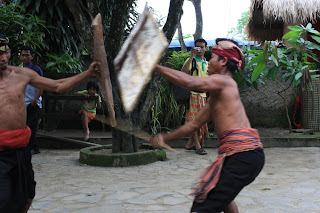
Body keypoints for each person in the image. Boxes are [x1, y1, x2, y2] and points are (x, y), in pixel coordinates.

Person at [151, 38, 265, 213]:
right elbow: (192, 125)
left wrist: (155, 67)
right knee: (219, 197)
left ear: (223, 62)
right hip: (243, 157)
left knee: (202, 206)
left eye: (213, 57)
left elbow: (190, 82)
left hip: (244, 156)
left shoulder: (225, 81)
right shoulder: (216, 97)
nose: (209, 61)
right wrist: (164, 138)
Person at [0, 33, 100, 213]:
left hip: (20, 150)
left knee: (27, 196)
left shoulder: (22, 74)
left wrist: (88, 73)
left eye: (5, 52)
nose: (3, 58)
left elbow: (57, 86)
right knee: (5, 201)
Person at [181, 38, 209, 155]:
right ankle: (197, 146)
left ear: (205, 48)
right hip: (193, 95)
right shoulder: (191, 60)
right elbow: (183, 72)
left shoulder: (207, 63)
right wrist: (191, 56)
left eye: (202, 47)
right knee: (194, 121)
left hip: (203, 96)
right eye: (198, 47)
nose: (200, 49)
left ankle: (189, 144)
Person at [20, 45, 43, 155]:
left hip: (33, 103)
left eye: (27, 55)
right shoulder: (19, 69)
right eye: (22, 55)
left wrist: (35, 100)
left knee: (31, 126)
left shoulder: (36, 70)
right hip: (22, 103)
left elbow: (41, 86)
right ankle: (31, 147)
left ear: (32, 56)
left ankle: (33, 148)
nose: (24, 57)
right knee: (24, 126)